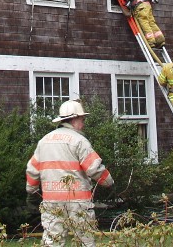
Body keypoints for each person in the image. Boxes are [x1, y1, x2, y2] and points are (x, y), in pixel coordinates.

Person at [25, 100, 114, 247]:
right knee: (85, 242)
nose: (83, 123)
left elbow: (32, 170)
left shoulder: (44, 141)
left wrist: (31, 190)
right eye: (82, 119)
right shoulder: (79, 141)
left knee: (52, 242)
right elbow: (94, 169)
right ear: (73, 119)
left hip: (52, 203)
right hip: (78, 204)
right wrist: (109, 183)